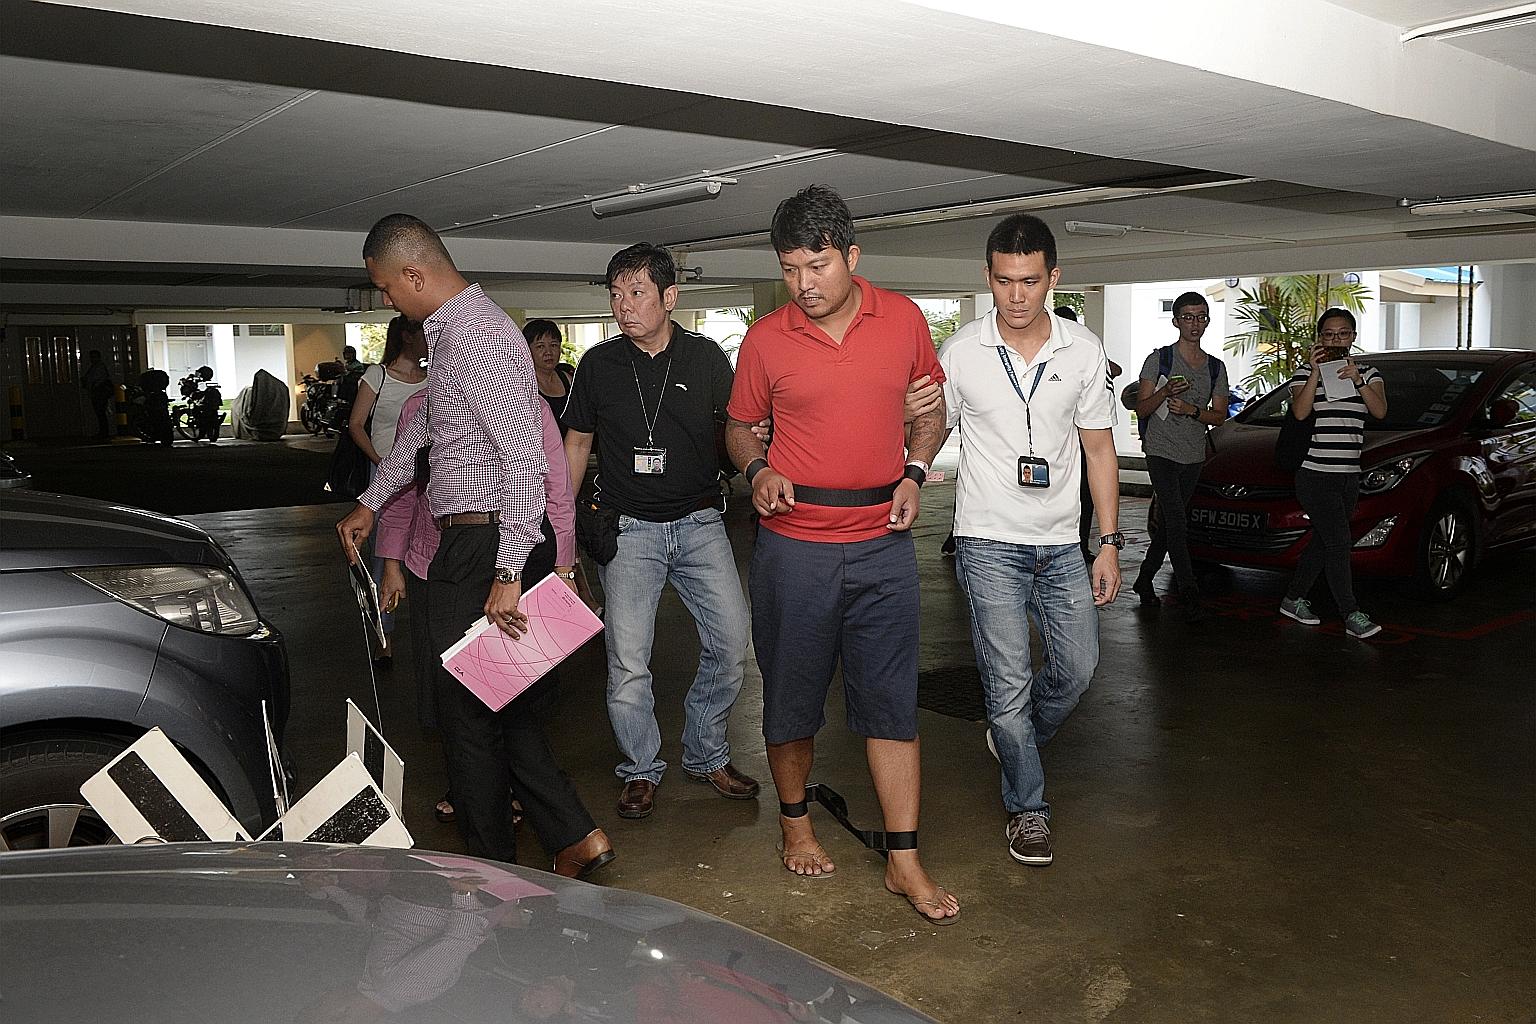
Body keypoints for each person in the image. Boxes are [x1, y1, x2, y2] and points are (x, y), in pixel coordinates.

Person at [337, 213, 611, 878]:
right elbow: (419, 436)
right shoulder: (454, 335)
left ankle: (492, 872)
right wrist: (371, 503)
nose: (385, 300)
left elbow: (525, 461)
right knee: (498, 704)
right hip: (476, 540)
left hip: (484, 543)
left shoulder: (480, 337)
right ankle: (572, 836)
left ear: (413, 273)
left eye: (384, 287)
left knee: (465, 720)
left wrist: (510, 569)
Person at [725, 184, 958, 925]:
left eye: (817, 266)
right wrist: (758, 471)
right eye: (791, 269)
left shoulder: (906, 320)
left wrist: (917, 471)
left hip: (883, 544)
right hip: (794, 548)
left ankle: (904, 858)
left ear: (852, 256)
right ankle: (795, 821)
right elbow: (738, 429)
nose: (804, 285)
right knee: (791, 697)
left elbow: (932, 412)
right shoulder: (766, 339)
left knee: (891, 703)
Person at [939, 214, 1121, 868]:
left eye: (1031, 282)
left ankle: (1014, 739)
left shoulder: (1083, 351)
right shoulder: (960, 353)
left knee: (1077, 669)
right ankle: (1028, 808)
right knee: (1007, 683)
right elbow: (930, 430)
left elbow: (1099, 450)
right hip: (987, 540)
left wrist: (1106, 541)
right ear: (988, 277)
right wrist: (906, 464)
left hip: (1060, 543)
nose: (1018, 296)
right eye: (1005, 281)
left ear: (1054, 278)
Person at [561, 243, 758, 820]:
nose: (625, 307)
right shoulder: (599, 365)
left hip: (700, 522)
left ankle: (706, 751)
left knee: (733, 645)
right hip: (630, 531)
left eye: (637, 293)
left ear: (670, 297)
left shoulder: (705, 360)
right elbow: (576, 444)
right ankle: (641, 768)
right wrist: (564, 531)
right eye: (616, 296)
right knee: (628, 663)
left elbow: (740, 429)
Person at [1279, 308, 1387, 639]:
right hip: (1314, 473)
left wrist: (1357, 380)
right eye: (1328, 334)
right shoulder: (1303, 373)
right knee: (1339, 541)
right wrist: (1314, 372)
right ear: (1319, 338)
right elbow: (1300, 412)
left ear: (1353, 337)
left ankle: (1293, 598)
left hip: (1348, 475)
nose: (1335, 339)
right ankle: (1350, 613)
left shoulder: (1368, 372)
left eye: (1342, 334)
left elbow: (1380, 411)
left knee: (1325, 542)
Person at [1131, 291, 1230, 620]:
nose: (1195, 323)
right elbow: (1141, 408)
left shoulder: (1215, 367)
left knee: (1171, 524)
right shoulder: (1159, 360)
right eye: (1188, 317)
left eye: (1201, 316)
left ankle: (1145, 579)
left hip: (1193, 454)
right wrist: (1164, 392)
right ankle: (1189, 588)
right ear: (1175, 321)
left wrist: (1191, 410)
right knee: (1176, 520)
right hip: (1160, 450)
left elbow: (1219, 416)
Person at [348, 315, 429, 666]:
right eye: (422, 333)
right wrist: (380, 461)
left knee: (423, 547)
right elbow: (355, 424)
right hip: (384, 473)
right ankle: (385, 636)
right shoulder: (376, 376)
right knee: (385, 554)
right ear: (405, 337)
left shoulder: (432, 380)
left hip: (425, 476)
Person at [1054, 305, 1125, 562]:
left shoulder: (1085, 352)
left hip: (1084, 439)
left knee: (1085, 494)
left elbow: (1115, 369)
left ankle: (1080, 543)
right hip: (1059, 444)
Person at [523, 318, 575, 433]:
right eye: (540, 346)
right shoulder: (524, 385)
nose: (548, 352)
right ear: (527, 350)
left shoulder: (568, 379)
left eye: (553, 345)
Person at [81, 349, 114, 439]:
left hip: (99, 393)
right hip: (98, 393)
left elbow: (95, 380)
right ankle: (103, 432)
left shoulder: (98, 367)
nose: (92, 359)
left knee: (100, 413)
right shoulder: (96, 367)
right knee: (100, 413)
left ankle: (104, 432)